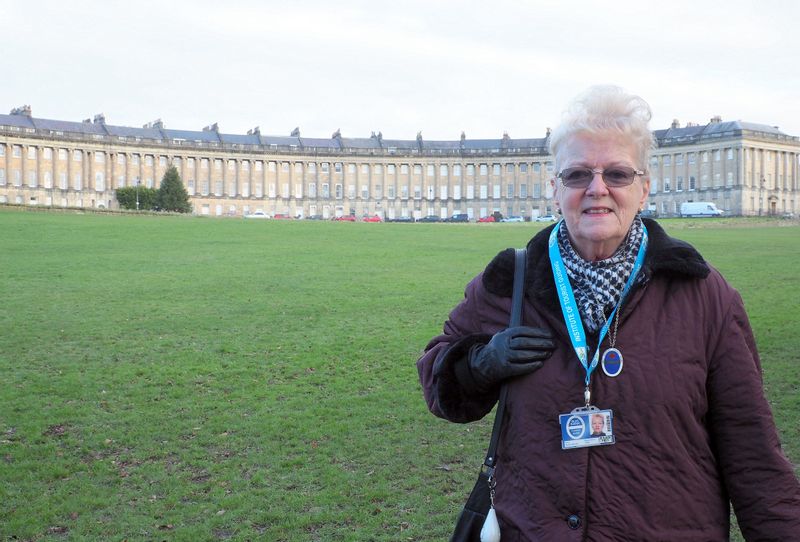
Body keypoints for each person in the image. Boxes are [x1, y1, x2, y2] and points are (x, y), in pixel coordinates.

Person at [417, 86, 800, 540]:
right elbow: (438, 383)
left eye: (617, 174)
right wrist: (478, 364)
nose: (597, 189)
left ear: (643, 189)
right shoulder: (512, 279)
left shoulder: (703, 294)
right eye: (578, 174)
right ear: (554, 188)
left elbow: (753, 453)